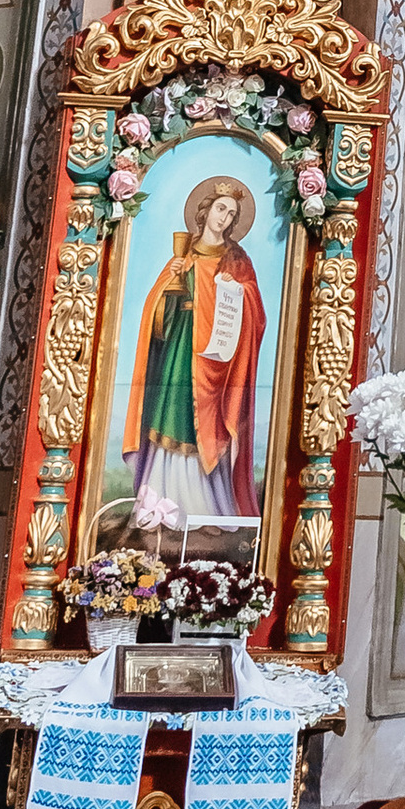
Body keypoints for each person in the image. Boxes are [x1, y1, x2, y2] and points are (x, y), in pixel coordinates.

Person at [127, 174, 268, 545]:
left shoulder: (237, 259)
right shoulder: (184, 254)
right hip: (180, 348)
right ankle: (162, 502)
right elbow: (156, 312)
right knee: (173, 421)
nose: (223, 218)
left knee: (210, 427)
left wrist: (237, 292)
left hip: (216, 362)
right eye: (220, 209)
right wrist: (169, 287)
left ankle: (209, 507)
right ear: (205, 211)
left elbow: (256, 310)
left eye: (231, 214)